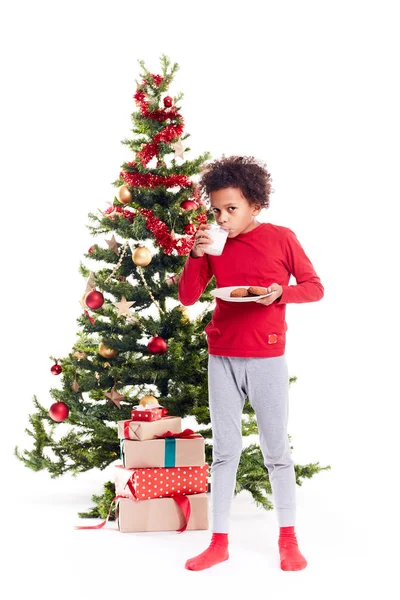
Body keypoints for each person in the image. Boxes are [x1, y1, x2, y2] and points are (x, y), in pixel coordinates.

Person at [178, 155, 324, 572]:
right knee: (225, 452)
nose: (222, 219)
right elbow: (189, 297)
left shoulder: (281, 238)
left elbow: (314, 288)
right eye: (217, 210)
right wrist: (194, 254)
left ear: (255, 204)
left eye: (231, 209)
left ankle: (288, 539)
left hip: (266, 358)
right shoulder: (213, 243)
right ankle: (218, 542)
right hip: (222, 356)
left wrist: (279, 294)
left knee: (277, 452)